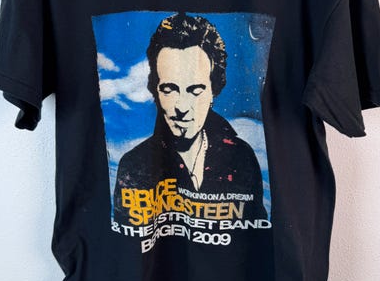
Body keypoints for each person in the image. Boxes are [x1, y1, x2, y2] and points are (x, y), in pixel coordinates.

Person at [112, 12, 268, 228]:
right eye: (169, 89)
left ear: (214, 90)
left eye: (195, 90)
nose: (182, 107)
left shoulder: (242, 158)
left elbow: (257, 232)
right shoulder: (133, 166)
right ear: (155, 90)